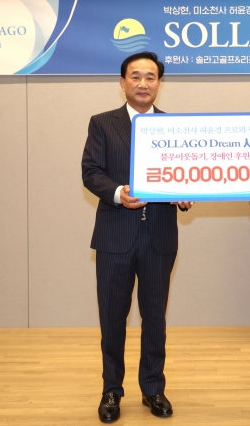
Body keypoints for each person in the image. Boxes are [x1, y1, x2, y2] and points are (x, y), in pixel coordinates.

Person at [82, 52, 193, 423]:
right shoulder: (102, 123)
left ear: (159, 83)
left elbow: (185, 175)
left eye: (150, 77)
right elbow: (91, 172)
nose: (143, 83)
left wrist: (187, 193)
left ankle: (153, 388)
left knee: (155, 318)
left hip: (159, 237)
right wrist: (117, 193)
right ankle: (111, 390)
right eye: (135, 76)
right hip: (115, 236)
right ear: (122, 82)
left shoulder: (174, 128)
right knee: (112, 318)